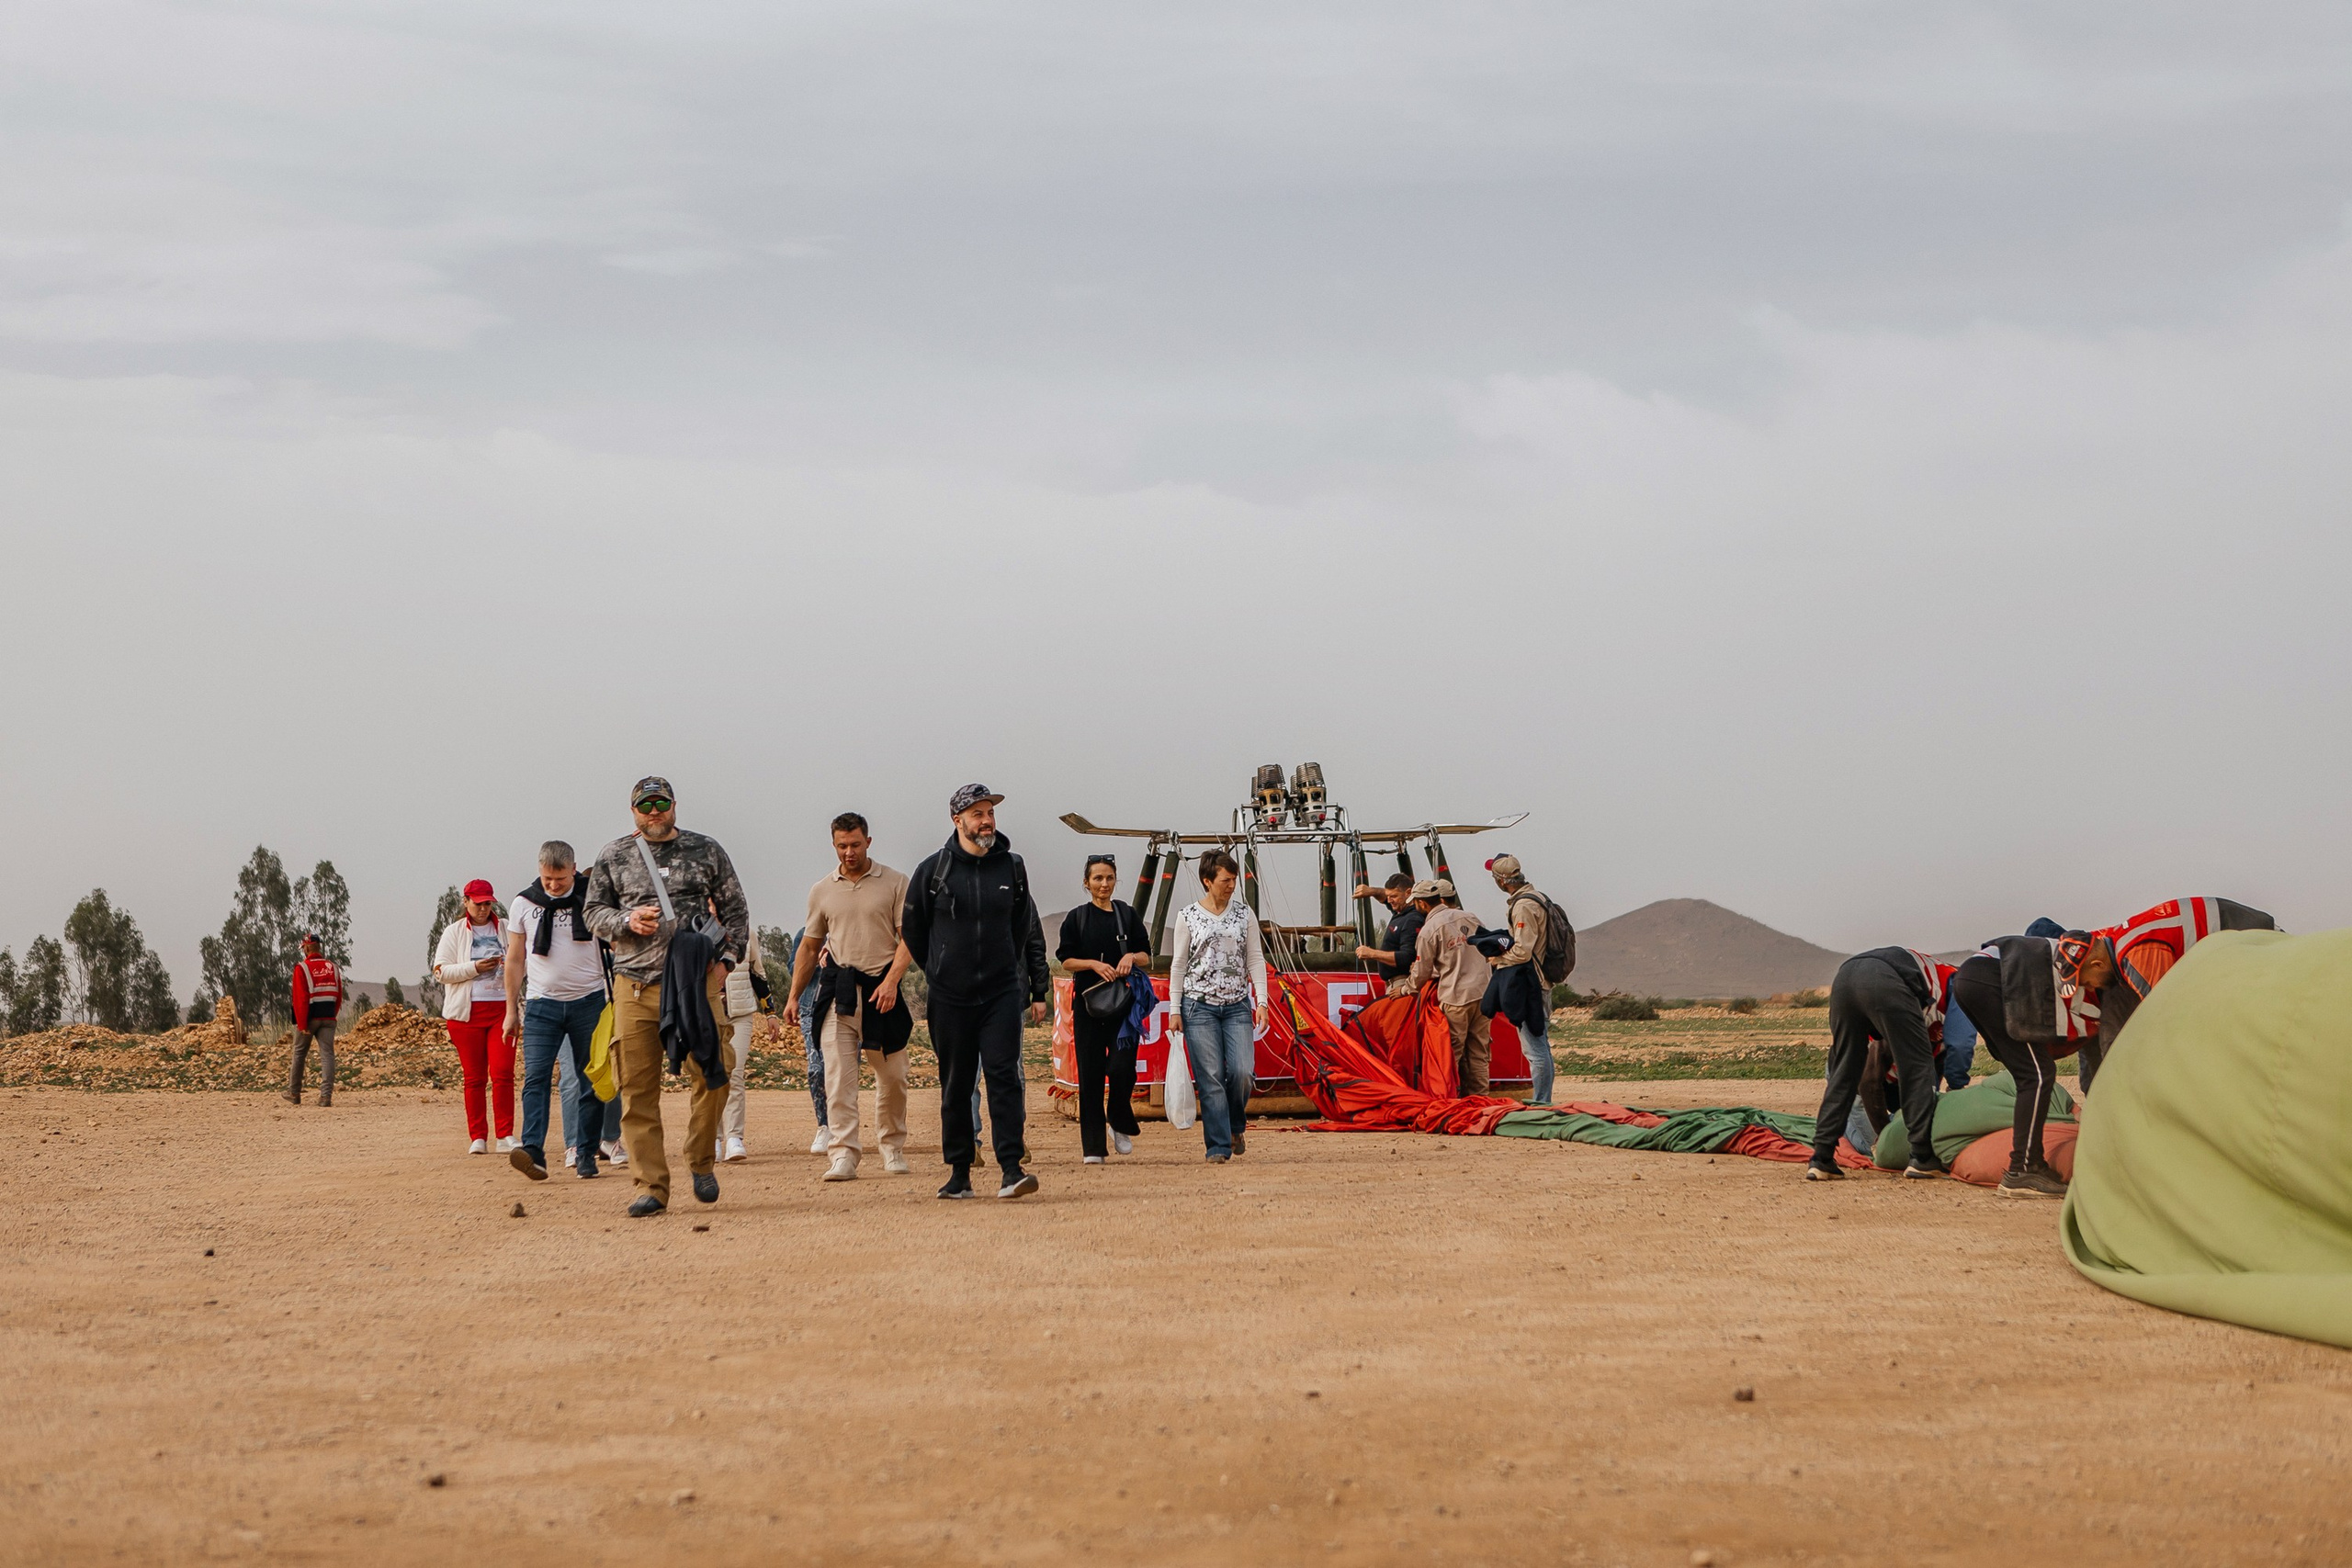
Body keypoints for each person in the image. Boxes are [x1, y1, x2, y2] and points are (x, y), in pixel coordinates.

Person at [582, 776, 751, 1218]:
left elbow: (735, 910)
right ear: (633, 811)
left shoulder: (706, 850)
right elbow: (592, 913)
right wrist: (626, 920)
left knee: (717, 1073)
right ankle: (651, 1187)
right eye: (645, 805)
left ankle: (700, 1160)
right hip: (634, 986)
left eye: (661, 803)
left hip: (695, 985)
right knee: (636, 1092)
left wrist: (725, 963)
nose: (653, 811)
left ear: (674, 806)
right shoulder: (613, 855)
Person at [901, 784, 1050, 1201]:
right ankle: (959, 1173)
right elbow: (913, 928)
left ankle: (1011, 1169)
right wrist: (937, 969)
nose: (986, 821)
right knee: (957, 1083)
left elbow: (1022, 925)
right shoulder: (934, 871)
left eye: (990, 813)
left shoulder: (1013, 868)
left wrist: (1012, 969)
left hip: (1001, 992)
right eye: (977, 814)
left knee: (1005, 1076)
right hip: (950, 996)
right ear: (957, 821)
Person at [788, 813, 915, 1182]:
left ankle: (892, 1147)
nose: (849, 852)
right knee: (838, 1077)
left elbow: (908, 939)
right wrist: (795, 995)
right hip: (839, 993)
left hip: (883, 992)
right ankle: (843, 1153)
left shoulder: (895, 882)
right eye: (842, 846)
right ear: (833, 845)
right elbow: (810, 948)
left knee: (893, 1077)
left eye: (855, 845)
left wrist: (892, 981)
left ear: (868, 842)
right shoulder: (822, 890)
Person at [2072, 897, 2276, 1093]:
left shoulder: (2139, 957)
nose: (2090, 988)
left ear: (2097, 965)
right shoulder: (2120, 947)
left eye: (2087, 982)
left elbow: (2169, 1020)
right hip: (2230, 934)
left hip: (2245, 934)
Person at [501, 841, 610, 1181]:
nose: (553, 885)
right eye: (547, 878)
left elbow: (616, 946)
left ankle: (587, 1151)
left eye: (560, 878)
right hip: (540, 1005)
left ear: (574, 869)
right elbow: (515, 959)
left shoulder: (594, 899)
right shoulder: (524, 903)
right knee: (535, 1078)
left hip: (589, 1003)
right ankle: (533, 1150)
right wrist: (510, 1010)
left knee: (590, 1079)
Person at [1806, 946, 1956, 1181]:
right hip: (1884, 979)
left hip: (1845, 977)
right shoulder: (1956, 985)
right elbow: (1950, 1050)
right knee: (1916, 1065)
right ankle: (1922, 1157)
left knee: (1844, 1072)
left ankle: (1821, 1159)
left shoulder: (1938, 976)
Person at [1166, 848, 1269, 1164]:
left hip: (1237, 1004)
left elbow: (1255, 957)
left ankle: (1236, 1125)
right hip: (1198, 1007)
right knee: (1210, 1077)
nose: (1231, 885)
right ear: (1207, 881)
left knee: (1242, 1072)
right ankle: (1218, 1146)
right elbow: (1178, 964)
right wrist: (1174, 1008)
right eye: (1225, 879)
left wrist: (1261, 1000)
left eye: (1234, 879)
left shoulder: (1244, 914)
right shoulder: (1188, 916)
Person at [1949, 937, 2069, 1200]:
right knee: (2037, 1075)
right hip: (1988, 981)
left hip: (1966, 977)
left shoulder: (2024, 949)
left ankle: (2028, 1165)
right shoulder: (2065, 954)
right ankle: (2023, 1169)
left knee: (2031, 1072)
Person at [1057, 853, 1151, 1164]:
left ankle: (1119, 1117)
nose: (1104, 884)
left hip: (1123, 1007)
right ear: (1087, 883)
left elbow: (1146, 956)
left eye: (1109, 877)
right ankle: (1094, 1148)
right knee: (1092, 1076)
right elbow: (1066, 959)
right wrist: (1094, 964)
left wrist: (1130, 958)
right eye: (1097, 878)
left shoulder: (1127, 914)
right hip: (1087, 1006)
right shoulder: (1077, 918)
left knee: (1123, 1068)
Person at [435, 878, 515, 1154]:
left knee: (503, 1073)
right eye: (478, 903)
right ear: (466, 901)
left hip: (502, 1011)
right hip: (466, 1014)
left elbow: (522, 963)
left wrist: (510, 966)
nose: (483, 908)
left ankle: (505, 1134)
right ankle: (478, 1136)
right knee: (474, 1077)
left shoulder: (505, 928)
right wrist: (474, 968)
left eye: (487, 903)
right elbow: (440, 971)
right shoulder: (454, 932)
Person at [1481, 853, 1556, 1106]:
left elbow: (1523, 950)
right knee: (1540, 1045)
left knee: (1534, 1049)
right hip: (1539, 979)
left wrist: (1497, 961)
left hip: (1530, 983)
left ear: (1502, 881)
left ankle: (1541, 1102)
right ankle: (1542, 1099)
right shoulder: (1538, 898)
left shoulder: (1523, 905)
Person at [1408, 879, 1493, 1095]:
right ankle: (1480, 1102)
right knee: (1479, 1053)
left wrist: (1405, 989)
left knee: (1450, 1054)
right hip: (1483, 994)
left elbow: (1422, 972)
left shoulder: (1429, 930)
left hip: (1456, 997)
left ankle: (1449, 1102)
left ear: (1422, 904)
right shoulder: (1470, 917)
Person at [717, 922, 762, 1165]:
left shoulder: (747, 933)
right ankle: (712, 1137)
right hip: (706, 1012)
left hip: (741, 1013)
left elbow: (758, 973)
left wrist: (772, 1013)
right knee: (710, 1075)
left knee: (735, 1073)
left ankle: (734, 1137)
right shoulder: (693, 930)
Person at [286, 933, 344, 1107]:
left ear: (308, 947)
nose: (303, 950)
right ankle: (326, 1097)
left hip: (310, 1018)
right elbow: (339, 994)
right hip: (328, 1016)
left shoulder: (301, 968)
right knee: (328, 1055)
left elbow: (300, 999)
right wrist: (332, 1014)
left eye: (303, 947)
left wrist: (302, 1024)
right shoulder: (333, 967)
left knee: (299, 1053)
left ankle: (294, 1093)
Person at [1351, 874, 1424, 995]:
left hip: (1402, 984)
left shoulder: (1412, 919)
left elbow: (1407, 957)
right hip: (1394, 984)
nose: (1389, 900)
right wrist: (1372, 891)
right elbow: (1385, 898)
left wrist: (1371, 953)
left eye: (1394, 896)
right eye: (1388, 896)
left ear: (1408, 893)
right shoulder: (1401, 911)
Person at [794, 928, 828, 1154]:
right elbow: (791, 968)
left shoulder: (849, 930)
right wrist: (815, 959)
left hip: (845, 1008)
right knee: (816, 1069)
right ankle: (824, 1126)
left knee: (843, 1071)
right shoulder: (804, 935)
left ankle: (842, 1127)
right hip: (810, 1010)